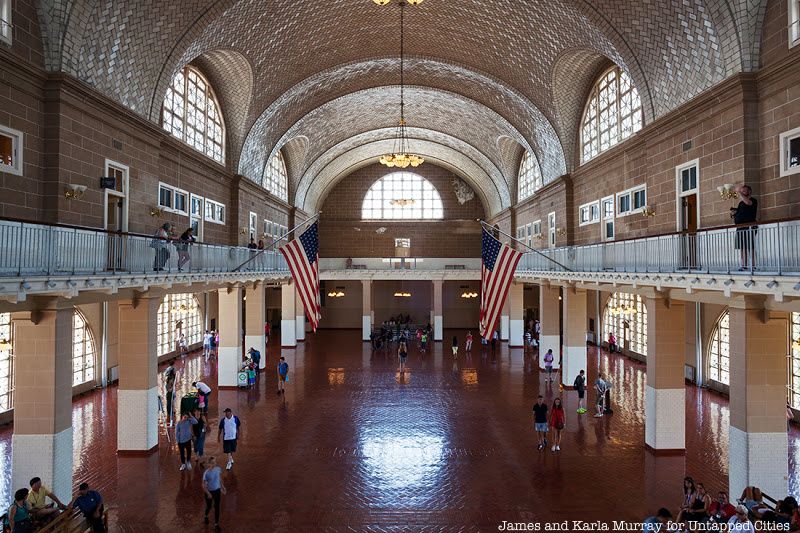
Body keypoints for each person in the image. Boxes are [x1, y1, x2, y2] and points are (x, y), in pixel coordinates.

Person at [730, 184, 758, 271]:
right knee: (742, 247)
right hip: (740, 227)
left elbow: (748, 202)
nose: (742, 192)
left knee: (750, 247)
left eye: (744, 191)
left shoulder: (753, 200)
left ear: (749, 192)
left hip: (749, 227)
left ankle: (753, 266)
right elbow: (740, 213)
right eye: (741, 191)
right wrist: (734, 214)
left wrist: (738, 192)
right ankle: (743, 265)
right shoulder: (741, 203)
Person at [202, 456, 226, 531]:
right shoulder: (206, 473)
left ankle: (216, 524)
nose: (214, 463)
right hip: (209, 492)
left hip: (217, 491)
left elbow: (219, 478)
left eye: (215, 462)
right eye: (212, 463)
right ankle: (206, 516)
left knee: (217, 507)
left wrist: (222, 487)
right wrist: (208, 493)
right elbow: (203, 485)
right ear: (209, 464)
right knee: (209, 506)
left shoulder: (218, 469)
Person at [164, 362, 177, 426]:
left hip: (172, 393)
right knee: (169, 403)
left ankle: (172, 411)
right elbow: (168, 389)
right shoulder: (169, 381)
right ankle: (169, 413)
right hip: (169, 394)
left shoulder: (172, 379)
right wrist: (171, 389)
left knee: (173, 402)